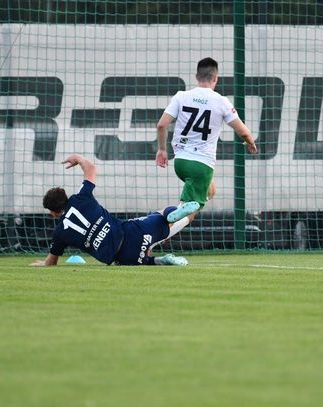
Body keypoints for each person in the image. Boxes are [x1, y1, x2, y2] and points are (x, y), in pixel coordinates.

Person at [31, 154, 192, 267]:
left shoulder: (59, 233)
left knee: (138, 260)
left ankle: (159, 260)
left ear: (52, 212)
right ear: (65, 197)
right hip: (133, 233)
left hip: (123, 257)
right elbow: (91, 168)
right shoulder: (80, 198)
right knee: (165, 215)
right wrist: (78, 158)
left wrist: (43, 263)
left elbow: (51, 262)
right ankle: (173, 214)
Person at [155, 57, 257, 223]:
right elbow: (243, 132)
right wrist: (251, 143)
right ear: (215, 78)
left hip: (180, 163)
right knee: (190, 211)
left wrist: (162, 149)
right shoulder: (221, 102)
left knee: (210, 190)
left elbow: (161, 125)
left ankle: (180, 210)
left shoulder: (181, 96)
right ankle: (157, 231)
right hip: (202, 165)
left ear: (197, 76)